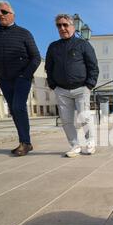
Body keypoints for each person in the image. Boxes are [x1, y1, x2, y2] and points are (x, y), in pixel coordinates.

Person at [0, 0, 41, 156]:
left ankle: (25, 143)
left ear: (12, 14)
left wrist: (25, 75)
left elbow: (36, 57)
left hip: (21, 77)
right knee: (14, 110)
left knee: (18, 107)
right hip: (3, 78)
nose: (0, 14)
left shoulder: (24, 33)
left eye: (4, 12)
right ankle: (23, 141)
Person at [45, 14, 99, 158]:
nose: (62, 28)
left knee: (84, 117)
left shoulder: (83, 44)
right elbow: (48, 68)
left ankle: (90, 142)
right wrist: (53, 85)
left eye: (65, 25)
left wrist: (89, 85)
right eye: (59, 25)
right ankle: (75, 145)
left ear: (73, 27)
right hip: (61, 90)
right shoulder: (53, 47)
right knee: (66, 120)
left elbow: (93, 66)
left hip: (82, 88)